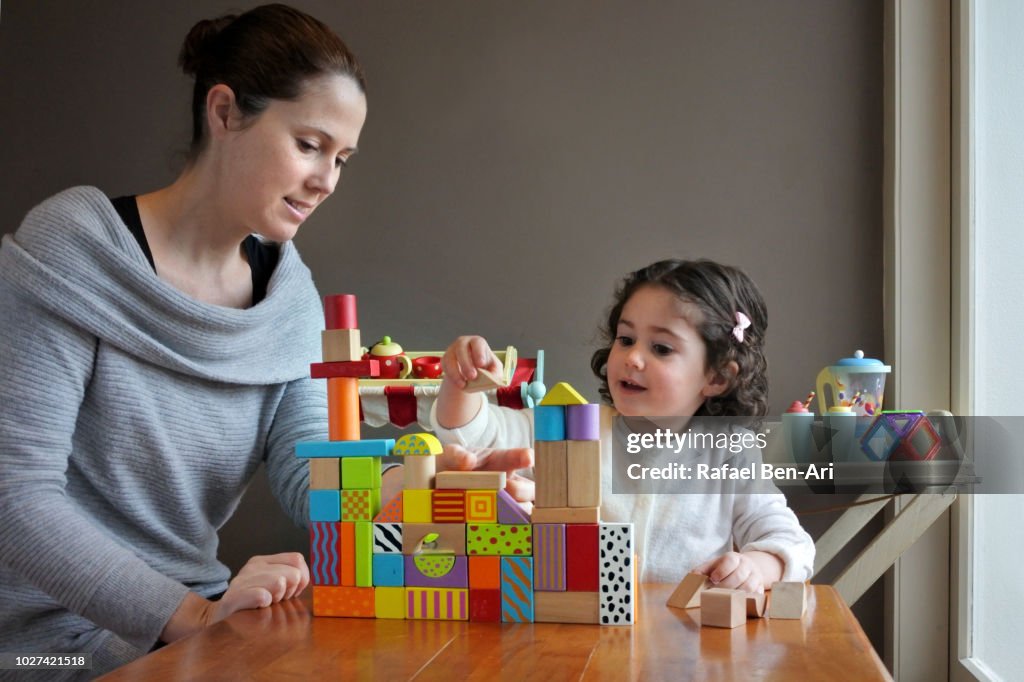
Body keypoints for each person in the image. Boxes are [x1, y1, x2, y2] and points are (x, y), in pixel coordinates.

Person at [0, 4, 529, 676]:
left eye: (341, 158)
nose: (326, 180)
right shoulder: (77, 248)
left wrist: (426, 484)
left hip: (207, 620)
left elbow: (316, 476)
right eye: (309, 145)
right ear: (224, 113)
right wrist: (189, 616)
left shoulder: (288, 294)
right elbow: (16, 497)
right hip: (51, 641)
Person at [430, 259, 815, 590]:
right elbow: (475, 433)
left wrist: (757, 567)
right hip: (575, 632)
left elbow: (787, 540)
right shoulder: (571, 427)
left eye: (661, 348)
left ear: (716, 378)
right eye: (626, 338)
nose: (632, 357)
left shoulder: (729, 452)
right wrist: (462, 383)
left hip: (683, 644)